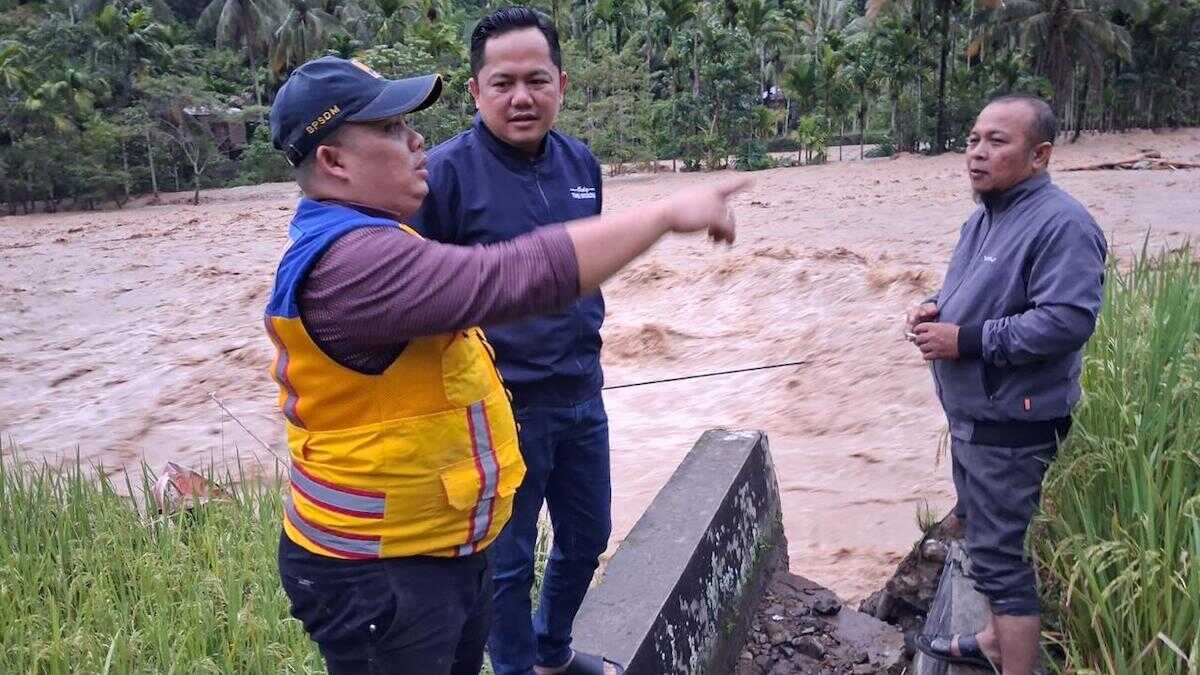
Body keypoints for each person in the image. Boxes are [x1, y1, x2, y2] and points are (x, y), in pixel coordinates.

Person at [265, 55, 748, 675]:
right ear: (333, 162)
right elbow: (508, 276)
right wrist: (660, 216)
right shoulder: (351, 263)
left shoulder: (380, 235)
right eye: (389, 129)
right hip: (378, 571)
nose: (417, 141)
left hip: (431, 546)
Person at [410, 8, 615, 675]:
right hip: (497, 409)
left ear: (562, 81)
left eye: (536, 79)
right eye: (502, 83)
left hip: (583, 393)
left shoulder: (582, 163)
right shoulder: (442, 177)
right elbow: (420, 297)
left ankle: (553, 652)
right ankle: (517, 669)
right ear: (475, 91)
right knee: (507, 561)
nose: (521, 97)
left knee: (588, 536)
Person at [905, 95, 1106, 675]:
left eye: (997, 142)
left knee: (1001, 558)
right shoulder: (985, 217)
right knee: (989, 544)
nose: (977, 153)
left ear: (1040, 155)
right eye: (973, 140)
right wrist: (931, 309)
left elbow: (1068, 321)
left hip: (1012, 423)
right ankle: (994, 640)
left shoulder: (1063, 225)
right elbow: (972, 295)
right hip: (976, 416)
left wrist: (964, 340)